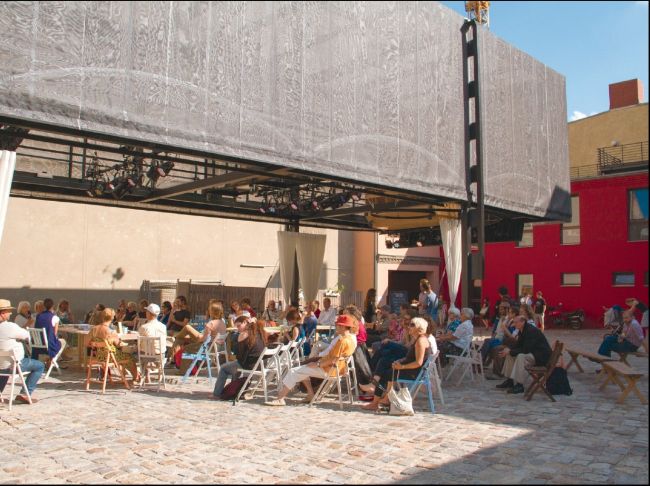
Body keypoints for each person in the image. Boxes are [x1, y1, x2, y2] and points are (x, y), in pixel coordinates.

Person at [265, 315, 356, 406]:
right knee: (302, 369)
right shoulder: (351, 340)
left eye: (337, 325)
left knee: (293, 371)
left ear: (342, 326)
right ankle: (310, 394)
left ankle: (281, 398)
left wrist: (317, 364)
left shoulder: (342, 341)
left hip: (328, 369)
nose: (336, 327)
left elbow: (332, 360)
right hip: (335, 369)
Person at [361, 316, 433, 411]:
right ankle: (374, 387)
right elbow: (410, 358)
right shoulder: (418, 339)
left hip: (413, 373)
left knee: (385, 373)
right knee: (384, 361)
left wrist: (401, 367)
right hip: (410, 369)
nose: (409, 326)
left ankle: (375, 402)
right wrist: (399, 362)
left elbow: (418, 363)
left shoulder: (421, 341)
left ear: (419, 328)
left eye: (412, 325)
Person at [207, 316, 266, 399]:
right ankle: (234, 390)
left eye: (239, 326)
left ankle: (217, 394)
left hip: (248, 364)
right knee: (234, 367)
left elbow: (240, 357)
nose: (238, 329)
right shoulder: (259, 332)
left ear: (245, 322)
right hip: (258, 364)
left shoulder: (244, 335)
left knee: (224, 368)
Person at [0, 299, 45, 404]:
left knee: (3, 367)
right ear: (2, 313)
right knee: (39, 366)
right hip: (14, 364)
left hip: (2, 364)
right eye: (8, 311)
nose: (11, 313)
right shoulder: (9, 326)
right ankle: (25, 393)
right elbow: (25, 335)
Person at [497, 316, 553, 394]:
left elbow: (526, 349)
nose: (514, 324)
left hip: (541, 357)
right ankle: (509, 381)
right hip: (533, 354)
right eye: (514, 322)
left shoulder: (531, 331)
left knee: (520, 356)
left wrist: (511, 351)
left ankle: (520, 385)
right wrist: (509, 351)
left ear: (523, 322)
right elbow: (519, 345)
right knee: (510, 355)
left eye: (516, 322)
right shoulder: (522, 330)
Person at [85, 308, 140, 382]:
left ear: (102, 317)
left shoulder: (94, 329)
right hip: (111, 356)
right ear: (112, 318)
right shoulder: (111, 332)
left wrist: (95, 345)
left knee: (125, 356)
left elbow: (86, 343)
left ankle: (136, 376)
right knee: (130, 357)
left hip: (99, 355)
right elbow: (118, 345)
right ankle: (136, 377)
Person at [32, 298, 69, 367]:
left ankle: (50, 361)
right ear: (52, 306)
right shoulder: (54, 317)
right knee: (63, 341)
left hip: (37, 344)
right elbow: (54, 333)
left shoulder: (37, 316)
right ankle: (52, 361)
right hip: (48, 345)